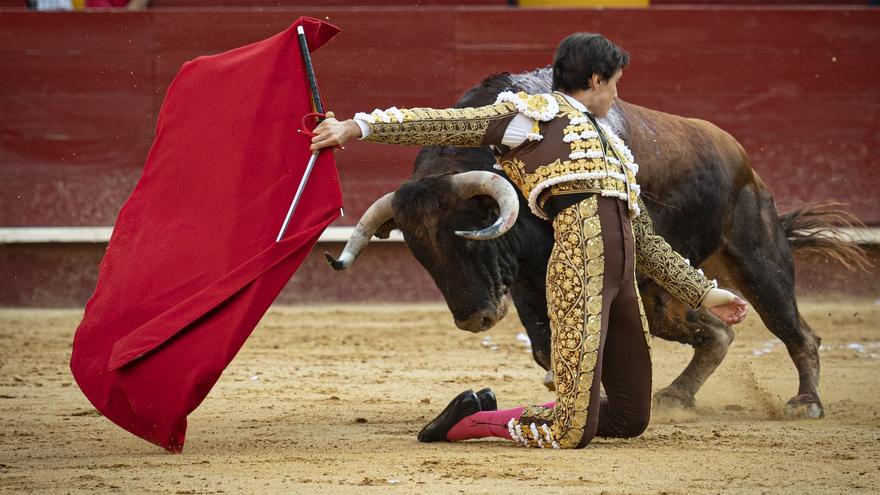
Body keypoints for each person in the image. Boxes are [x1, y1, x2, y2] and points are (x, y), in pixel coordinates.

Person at [310, 33, 748, 449]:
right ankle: (466, 422)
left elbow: (642, 236)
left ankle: (553, 412)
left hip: (621, 286)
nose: (617, 96)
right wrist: (356, 128)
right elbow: (443, 123)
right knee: (571, 431)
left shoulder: (611, 143)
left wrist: (705, 292)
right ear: (595, 80)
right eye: (615, 84)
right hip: (577, 276)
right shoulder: (529, 118)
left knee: (631, 418)